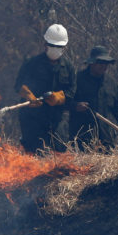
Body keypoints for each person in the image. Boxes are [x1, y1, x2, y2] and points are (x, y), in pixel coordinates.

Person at [14, 24, 76, 153]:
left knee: (59, 153)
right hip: (33, 119)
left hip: (56, 119)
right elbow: (19, 85)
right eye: (52, 45)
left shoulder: (68, 67)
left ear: (64, 47)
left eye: (58, 46)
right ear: (45, 44)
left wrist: (59, 97)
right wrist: (29, 96)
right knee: (35, 154)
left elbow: (72, 90)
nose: (55, 49)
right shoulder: (32, 63)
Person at [69, 45, 118, 151]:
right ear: (92, 63)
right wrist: (75, 106)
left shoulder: (111, 84)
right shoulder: (77, 80)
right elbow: (64, 101)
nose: (104, 66)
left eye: (106, 63)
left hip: (106, 138)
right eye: (100, 63)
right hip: (81, 138)